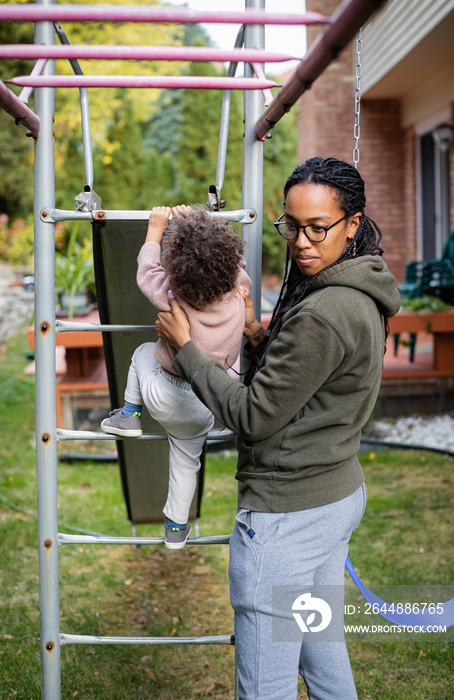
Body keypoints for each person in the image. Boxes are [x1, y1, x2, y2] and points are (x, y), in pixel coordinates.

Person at [155, 157, 401, 698]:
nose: (301, 241)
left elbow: (252, 417)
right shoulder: (359, 291)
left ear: (352, 224)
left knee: (264, 685)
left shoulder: (323, 311)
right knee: (324, 658)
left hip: (288, 515)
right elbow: (313, 381)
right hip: (333, 494)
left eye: (319, 227)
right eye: (290, 225)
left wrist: (188, 351)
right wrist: (255, 337)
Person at [101, 205, 252, 549]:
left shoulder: (172, 293)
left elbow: (146, 271)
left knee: (142, 352)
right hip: (209, 400)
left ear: (178, 269)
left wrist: (156, 230)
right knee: (186, 463)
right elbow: (239, 267)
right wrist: (215, 223)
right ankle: (175, 528)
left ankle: (129, 415)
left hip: (164, 393)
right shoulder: (238, 290)